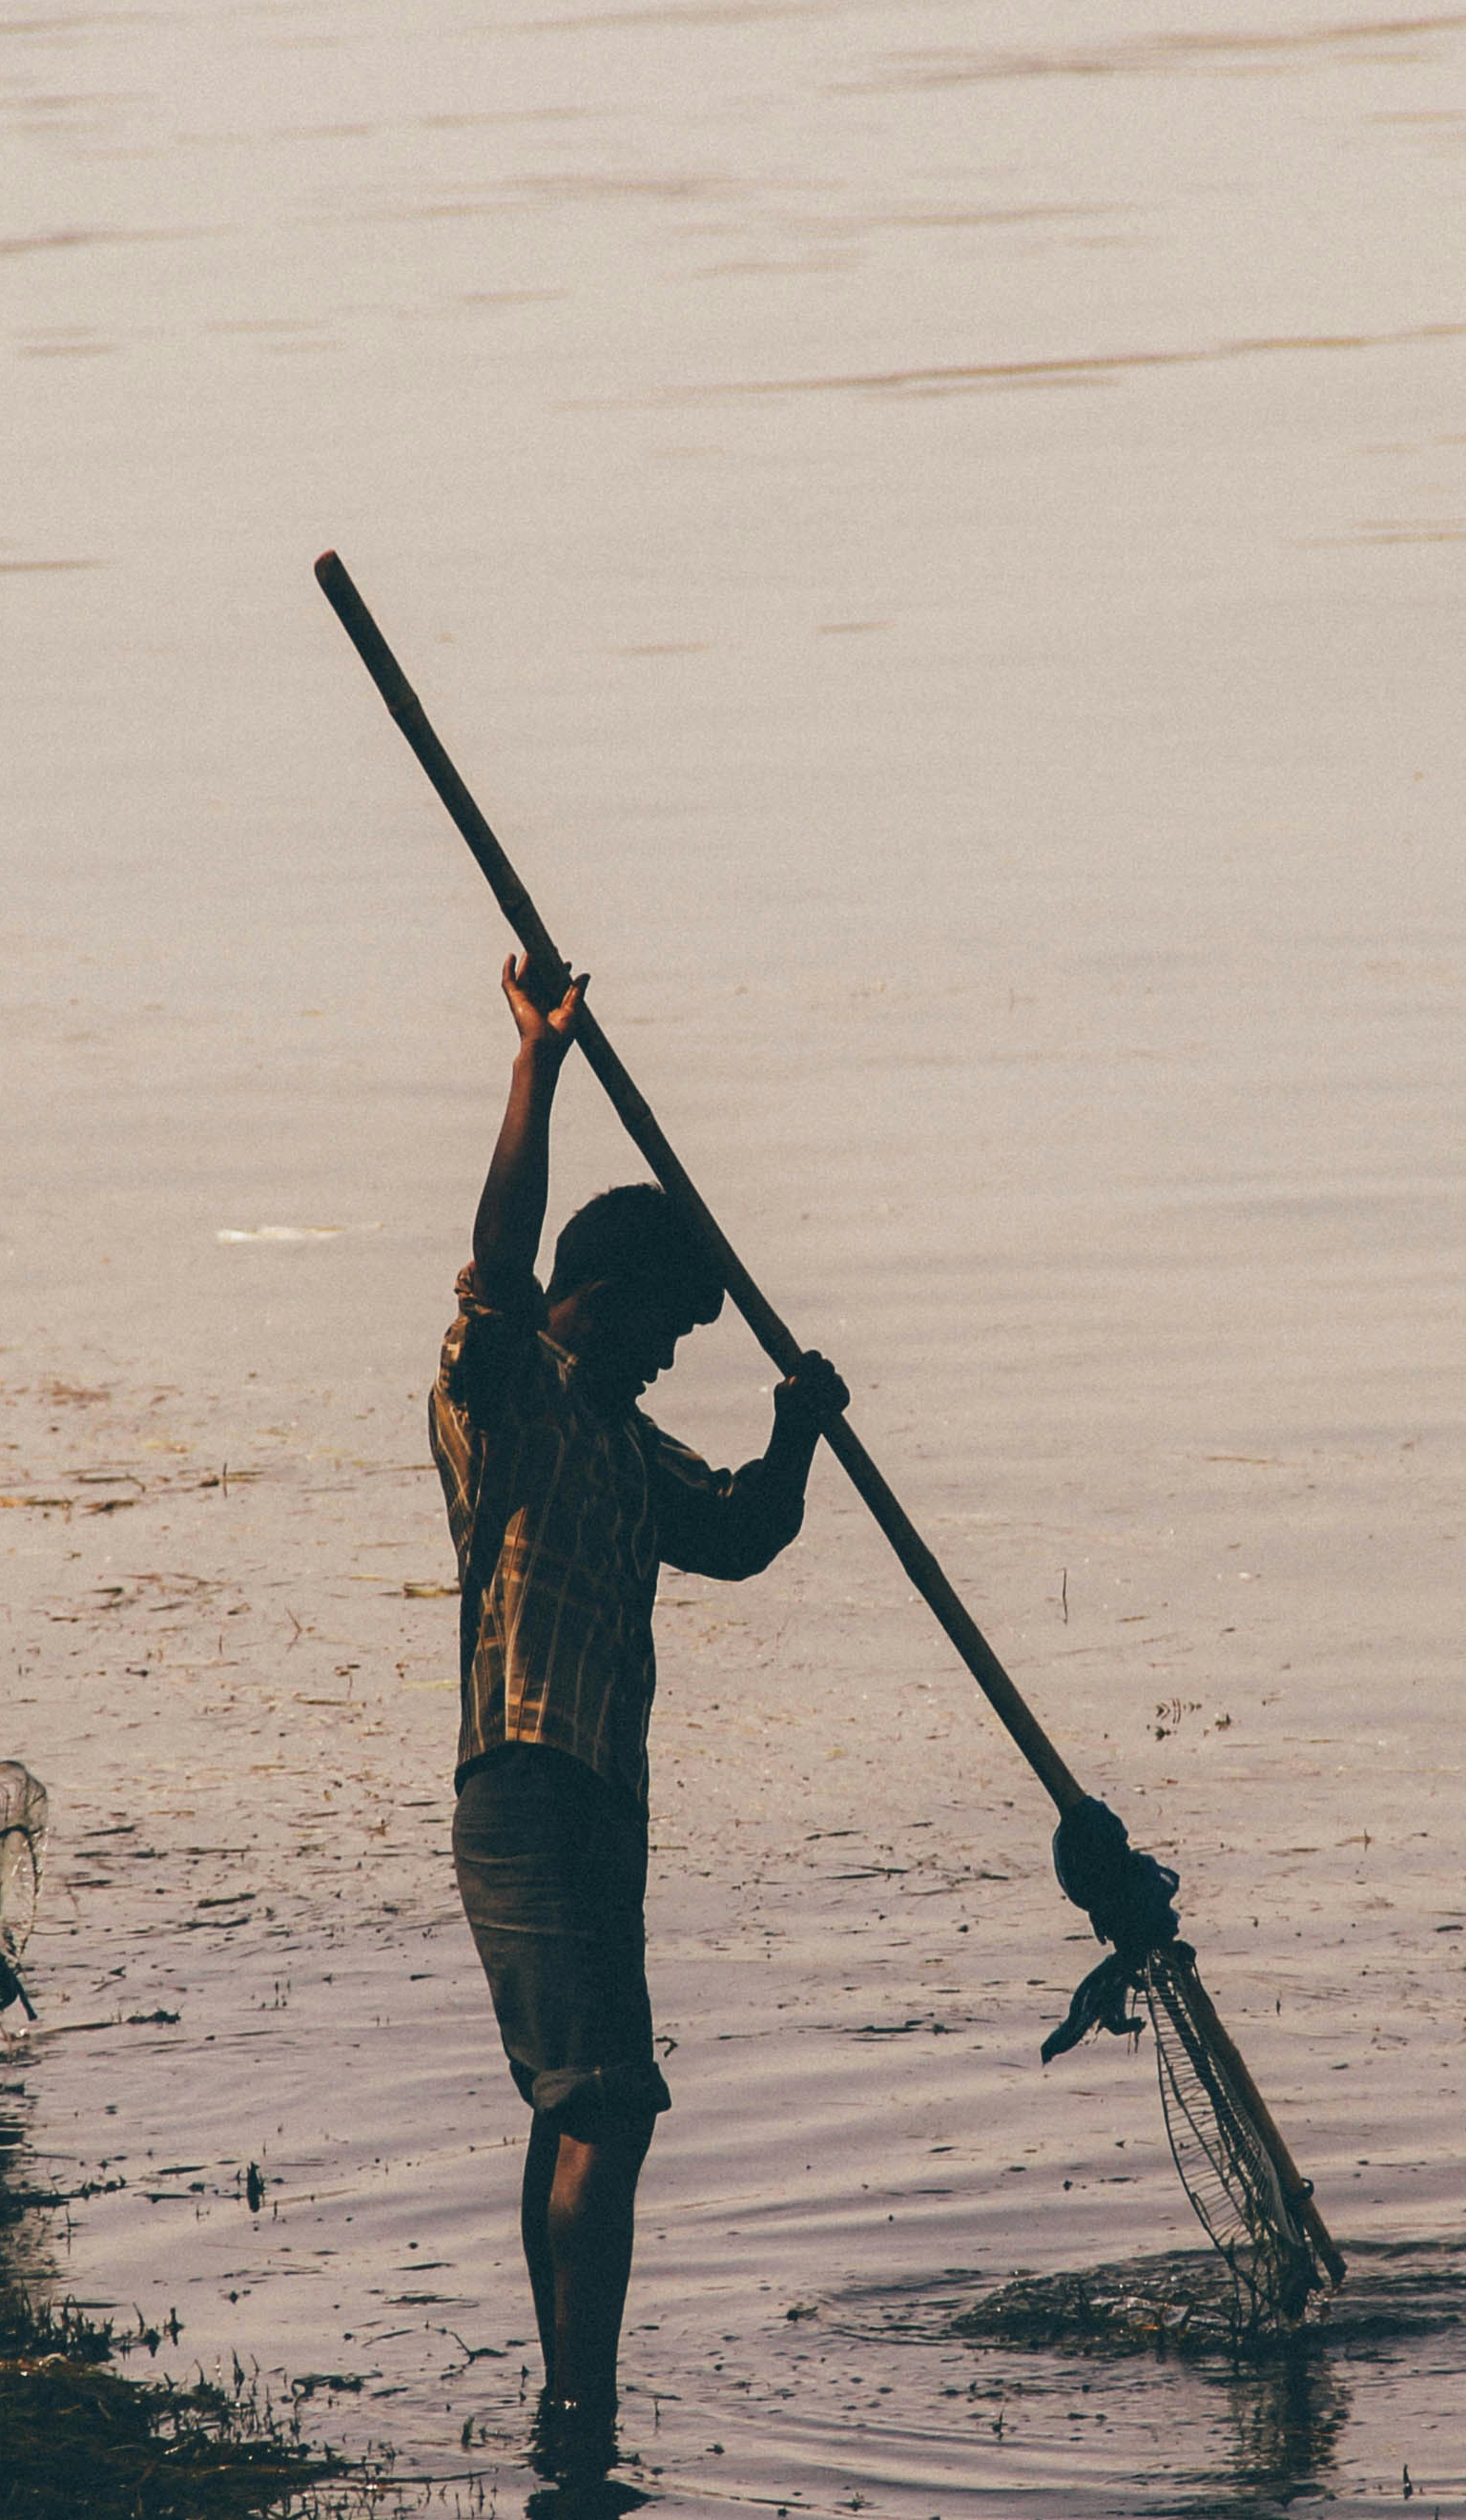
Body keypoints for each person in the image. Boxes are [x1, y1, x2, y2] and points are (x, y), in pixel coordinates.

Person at [432, 953, 843, 2489]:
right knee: (607, 2098)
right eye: (665, 1326)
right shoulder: (511, 1391)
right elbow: (495, 1251)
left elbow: (739, 1531)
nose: (671, 1355)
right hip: (524, 1789)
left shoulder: (618, 1441)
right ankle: (581, 2424)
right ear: (592, 1299)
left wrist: (795, 1437)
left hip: (603, 1798)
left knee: (581, 2099)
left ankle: (566, 2414)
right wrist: (537, 1063)